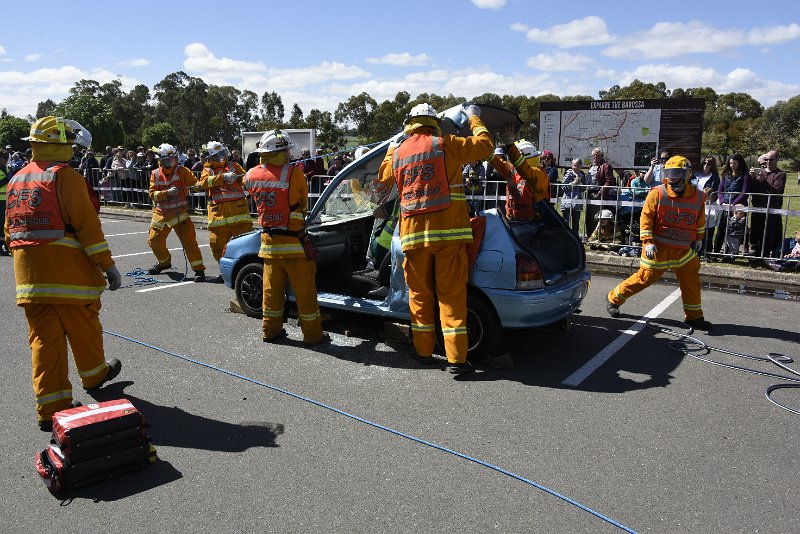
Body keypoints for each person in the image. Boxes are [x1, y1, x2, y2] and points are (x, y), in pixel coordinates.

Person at [4, 116, 122, 431]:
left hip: (28, 280)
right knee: (84, 328)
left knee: (44, 342)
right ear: (58, 144)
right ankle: (95, 375)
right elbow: (86, 225)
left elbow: (9, 232)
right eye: (67, 142)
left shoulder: (17, 179)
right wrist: (107, 264)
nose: (71, 147)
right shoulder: (65, 177)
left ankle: (50, 409)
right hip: (69, 278)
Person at [375, 103, 493, 375]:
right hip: (449, 236)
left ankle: (423, 352)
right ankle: (456, 359)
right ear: (434, 122)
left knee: (419, 296)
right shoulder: (446, 144)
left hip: (414, 237)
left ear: (410, 124)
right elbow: (484, 146)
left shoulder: (400, 152)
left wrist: (393, 147)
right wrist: (474, 116)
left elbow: (383, 177)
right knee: (451, 297)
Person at [606, 155, 711, 331]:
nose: (671, 176)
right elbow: (646, 218)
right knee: (644, 278)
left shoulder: (699, 197)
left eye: (676, 172)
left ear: (686, 174)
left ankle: (694, 317)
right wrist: (648, 242)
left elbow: (700, 220)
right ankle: (613, 299)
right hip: (658, 249)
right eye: (668, 172)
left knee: (691, 278)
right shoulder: (658, 193)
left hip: (682, 251)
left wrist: (699, 239)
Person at [245, 130, 329, 346]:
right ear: (280, 152)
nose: (290, 153)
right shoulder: (294, 173)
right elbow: (302, 203)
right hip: (294, 245)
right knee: (305, 294)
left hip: (269, 246)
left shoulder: (252, 174)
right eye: (287, 150)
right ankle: (313, 335)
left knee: (271, 293)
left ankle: (270, 331)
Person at [146, 143, 207, 281]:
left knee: (189, 241)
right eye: (167, 160)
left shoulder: (182, 171)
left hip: (179, 213)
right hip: (160, 213)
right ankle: (164, 263)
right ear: (160, 160)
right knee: (154, 241)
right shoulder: (155, 174)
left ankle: (199, 270)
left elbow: (194, 184)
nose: (170, 162)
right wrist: (166, 193)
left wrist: (199, 186)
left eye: (173, 159)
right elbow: (152, 194)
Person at [197, 141, 252, 283]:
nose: (221, 158)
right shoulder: (207, 169)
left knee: (245, 246)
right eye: (217, 155)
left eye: (222, 154)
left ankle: (247, 272)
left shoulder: (234, 166)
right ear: (210, 157)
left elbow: (246, 179)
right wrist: (223, 177)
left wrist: (247, 177)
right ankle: (224, 273)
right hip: (218, 217)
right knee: (217, 245)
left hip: (239, 214)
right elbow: (203, 183)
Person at [748, 150, 786, 258]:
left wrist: (764, 181)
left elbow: (777, 191)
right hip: (757, 208)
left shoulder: (781, 174)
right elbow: (752, 190)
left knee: (768, 234)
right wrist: (752, 178)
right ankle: (755, 253)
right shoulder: (760, 172)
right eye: (766, 159)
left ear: (777, 160)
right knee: (755, 232)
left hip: (771, 209)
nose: (768, 161)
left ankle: (765, 256)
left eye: (771, 159)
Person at [713, 154, 750, 255]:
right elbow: (720, 190)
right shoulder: (726, 174)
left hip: (738, 207)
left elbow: (744, 192)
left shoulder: (744, 175)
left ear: (739, 163)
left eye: (734, 163)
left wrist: (732, 205)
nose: (732, 165)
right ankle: (716, 251)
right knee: (721, 229)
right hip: (724, 206)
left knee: (735, 231)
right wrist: (722, 202)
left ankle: (731, 253)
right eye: (730, 163)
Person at [690, 156, 721, 257]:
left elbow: (716, 193)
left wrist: (710, 200)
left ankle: (706, 252)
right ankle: (694, 251)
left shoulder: (715, 177)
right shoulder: (695, 175)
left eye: (708, 164)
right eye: (704, 163)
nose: (706, 165)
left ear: (712, 165)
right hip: (694, 204)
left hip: (708, 204)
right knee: (694, 228)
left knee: (707, 229)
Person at [585, 147, 616, 238]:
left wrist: (601, 191)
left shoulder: (606, 166)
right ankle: (589, 236)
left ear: (601, 156)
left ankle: (596, 237)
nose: (594, 156)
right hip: (589, 193)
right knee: (588, 217)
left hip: (598, 194)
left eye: (597, 155)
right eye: (593, 155)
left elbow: (609, 181)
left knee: (596, 216)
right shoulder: (591, 166)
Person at [559, 158, 586, 231]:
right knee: (566, 223)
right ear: (572, 166)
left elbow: (584, 189)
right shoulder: (568, 174)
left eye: (577, 166)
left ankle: (575, 239)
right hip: (567, 202)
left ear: (580, 166)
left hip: (577, 203)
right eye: (574, 165)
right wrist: (573, 183)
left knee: (576, 224)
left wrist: (580, 183)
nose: (575, 168)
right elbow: (563, 187)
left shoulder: (582, 175)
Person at [0, 149, 9, 255]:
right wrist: (6, 179)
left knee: (6, 224)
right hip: (0, 201)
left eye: (7, 158)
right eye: (3, 158)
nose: (6, 160)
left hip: (8, 200)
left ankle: (6, 245)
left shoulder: (7, 168)